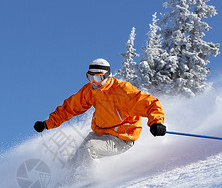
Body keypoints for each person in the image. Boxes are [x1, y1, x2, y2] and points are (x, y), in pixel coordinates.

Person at [34, 58, 166, 172]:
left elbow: (150, 103)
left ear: (108, 76)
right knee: (74, 160)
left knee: (88, 149)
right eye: (90, 77)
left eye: (98, 78)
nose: (94, 82)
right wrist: (48, 123)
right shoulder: (89, 91)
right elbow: (70, 108)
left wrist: (157, 122)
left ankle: (85, 181)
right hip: (100, 133)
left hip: (122, 137)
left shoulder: (123, 91)